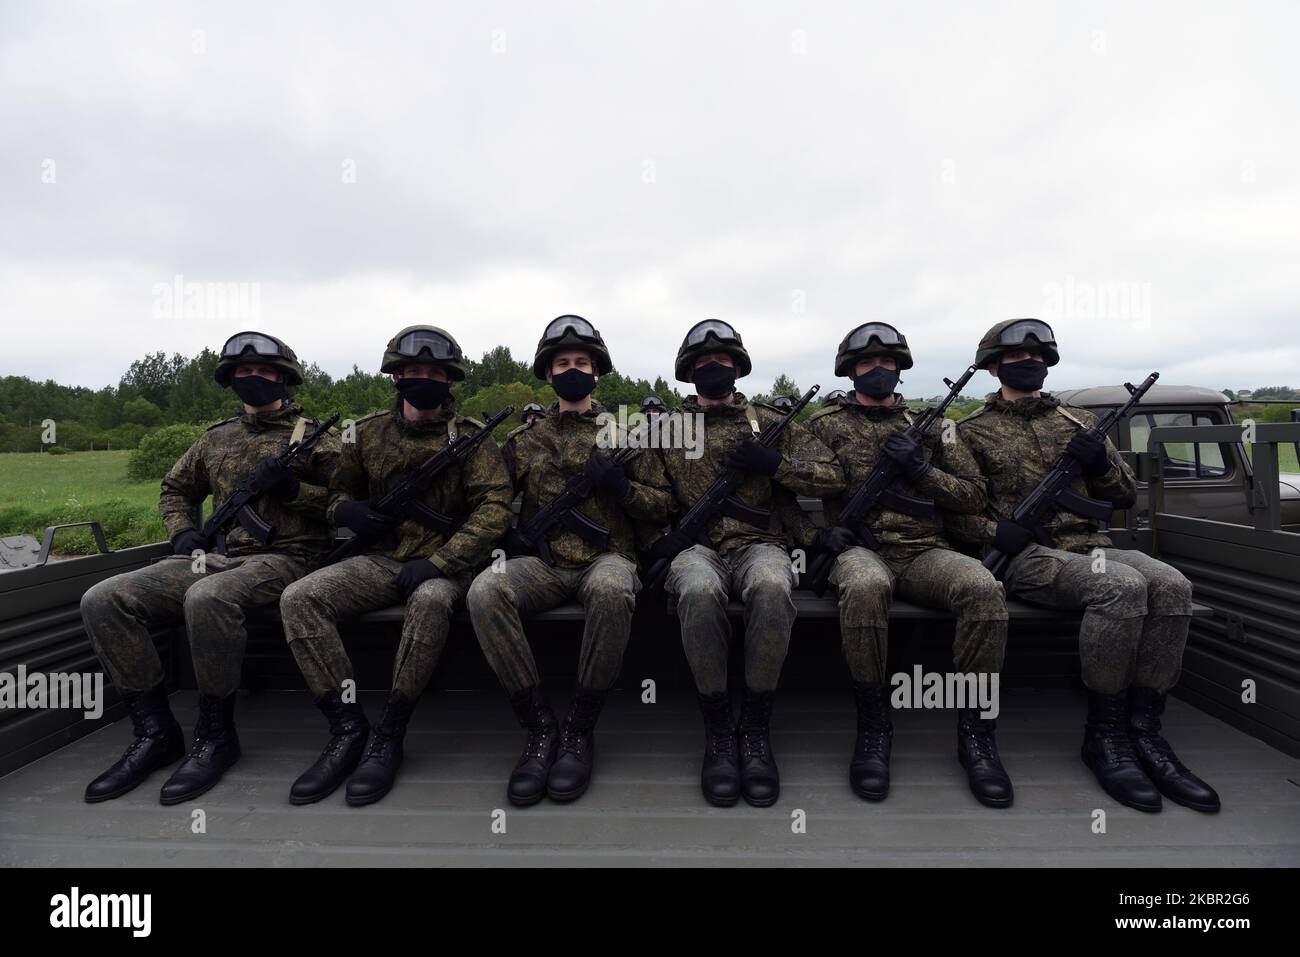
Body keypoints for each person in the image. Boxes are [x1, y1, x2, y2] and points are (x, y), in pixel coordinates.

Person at [951, 318, 1219, 813]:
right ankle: (1106, 737)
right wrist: (995, 534)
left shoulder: (1078, 424)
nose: (1028, 362)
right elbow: (958, 514)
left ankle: (1146, 732)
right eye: (1015, 357)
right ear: (992, 367)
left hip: (1091, 544)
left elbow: (1121, 496)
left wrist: (1098, 463)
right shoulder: (970, 431)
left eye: (1037, 355)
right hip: (1025, 558)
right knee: (1119, 588)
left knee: (1172, 585)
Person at [81, 332, 338, 805]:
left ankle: (215, 735)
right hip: (215, 557)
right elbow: (175, 488)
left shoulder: (317, 439)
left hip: (290, 559)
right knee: (105, 598)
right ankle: (155, 731)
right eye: (242, 373)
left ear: (283, 377)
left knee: (209, 597)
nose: (251, 380)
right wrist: (182, 532)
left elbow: (350, 506)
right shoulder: (215, 438)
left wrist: (293, 492)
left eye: (261, 372)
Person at [278, 326, 512, 806]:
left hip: (447, 567)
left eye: (434, 373)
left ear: (450, 380)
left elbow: (494, 509)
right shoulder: (366, 434)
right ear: (396, 376)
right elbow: (339, 492)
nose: (423, 380)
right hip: (379, 560)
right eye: (413, 372)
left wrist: (441, 561)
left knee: (428, 602)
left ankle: (390, 733)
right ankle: (347, 728)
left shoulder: (469, 440)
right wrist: (346, 512)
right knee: (300, 597)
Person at [785, 322, 1012, 807]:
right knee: (865, 585)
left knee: (983, 588)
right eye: (867, 364)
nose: (878, 371)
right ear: (850, 371)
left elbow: (973, 498)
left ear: (900, 369)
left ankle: (977, 736)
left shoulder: (935, 427)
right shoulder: (823, 425)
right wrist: (818, 535)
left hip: (924, 551)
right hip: (858, 552)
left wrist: (921, 468)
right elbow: (783, 493)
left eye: (887, 363)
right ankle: (874, 726)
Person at [466, 316, 672, 805]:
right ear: (548, 373)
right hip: (543, 566)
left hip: (608, 558)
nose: (573, 369)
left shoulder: (628, 436)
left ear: (597, 371)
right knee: (484, 590)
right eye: (563, 363)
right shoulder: (523, 441)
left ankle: (580, 726)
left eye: (582, 362)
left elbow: (661, 505)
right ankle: (538, 727)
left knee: (614, 589)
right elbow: (492, 500)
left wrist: (621, 487)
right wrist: (511, 535)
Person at [653, 319, 843, 807]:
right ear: (688, 373)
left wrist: (776, 465)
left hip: (761, 543)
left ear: (737, 368)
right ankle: (719, 729)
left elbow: (832, 477)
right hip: (695, 550)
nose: (712, 368)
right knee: (696, 590)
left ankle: (755, 728)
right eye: (701, 363)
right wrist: (665, 537)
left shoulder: (771, 425)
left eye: (721, 361)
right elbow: (644, 499)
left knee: (771, 588)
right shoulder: (667, 430)